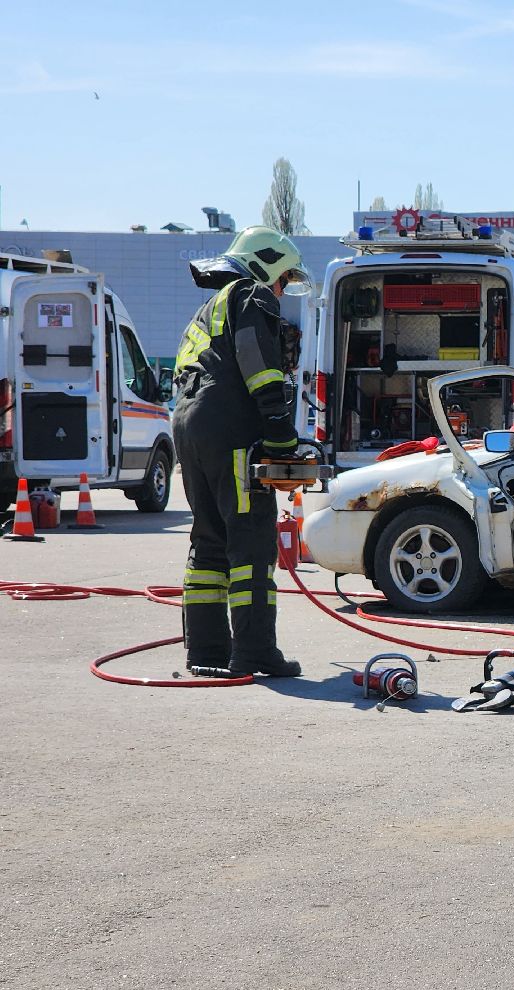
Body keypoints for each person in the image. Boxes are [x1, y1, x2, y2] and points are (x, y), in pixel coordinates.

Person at [172, 226, 310, 677]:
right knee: (250, 540)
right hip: (230, 430)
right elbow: (261, 369)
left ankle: (207, 652)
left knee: (209, 541)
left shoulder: (207, 308)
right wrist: (281, 437)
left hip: (190, 427)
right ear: (268, 263)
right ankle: (253, 651)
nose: (283, 289)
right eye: (284, 279)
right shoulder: (251, 294)